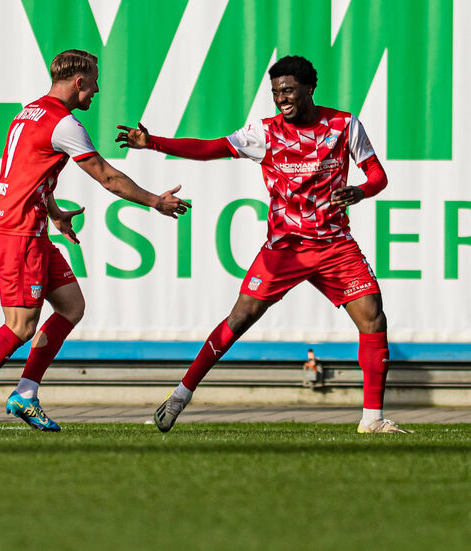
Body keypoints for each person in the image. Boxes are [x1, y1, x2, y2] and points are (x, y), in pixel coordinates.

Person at [116, 55, 410, 434]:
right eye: (275, 93)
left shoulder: (344, 125)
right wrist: (152, 143)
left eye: (288, 90)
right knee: (239, 319)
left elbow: (377, 175)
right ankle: (179, 396)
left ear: (310, 88)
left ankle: (372, 419)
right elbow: (210, 148)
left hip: (335, 246)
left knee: (372, 317)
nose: (281, 98)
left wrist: (361, 191)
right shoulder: (265, 132)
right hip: (285, 248)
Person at [0, 50, 190, 432]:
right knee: (20, 326)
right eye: (95, 82)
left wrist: (53, 212)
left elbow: (27, 174)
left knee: (71, 306)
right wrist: (155, 200)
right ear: (79, 81)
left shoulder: (29, 112)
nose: (97, 90)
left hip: (29, 228)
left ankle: (26, 393)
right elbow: (107, 176)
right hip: (20, 234)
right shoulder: (64, 123)